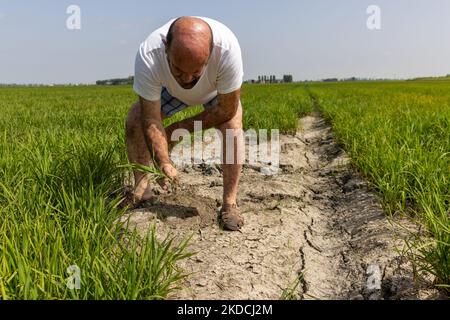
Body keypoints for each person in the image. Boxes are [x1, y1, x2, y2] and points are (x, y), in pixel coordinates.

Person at [125, 16, 245, 231]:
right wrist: (163, 160)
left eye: (196, 70)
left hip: (213, 91)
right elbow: (150, 118)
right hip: (171, 92)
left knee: (232, 129)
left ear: (211, 53)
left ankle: (230, 203)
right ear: (166, 48)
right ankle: (142, 191)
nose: (188, 78)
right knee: (134, 119)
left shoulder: (227, 50)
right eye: (178, 69)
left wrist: (174, 132)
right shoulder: (149, 55)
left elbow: (227, 109)